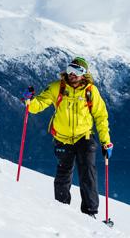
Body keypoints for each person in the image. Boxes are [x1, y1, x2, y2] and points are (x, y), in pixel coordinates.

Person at [22, 57, 114, 217]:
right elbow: (38, 106)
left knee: (88, 173)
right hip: (62, 138)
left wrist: (106, 142)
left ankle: (90, 212)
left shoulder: (91, 91)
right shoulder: (56, 88)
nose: (72, 74)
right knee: (63, 174)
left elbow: (101, 117)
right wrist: (29, 101)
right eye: (70, 69)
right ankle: (61, 209)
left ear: (84, 74)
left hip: (84, 137)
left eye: (77, 71)